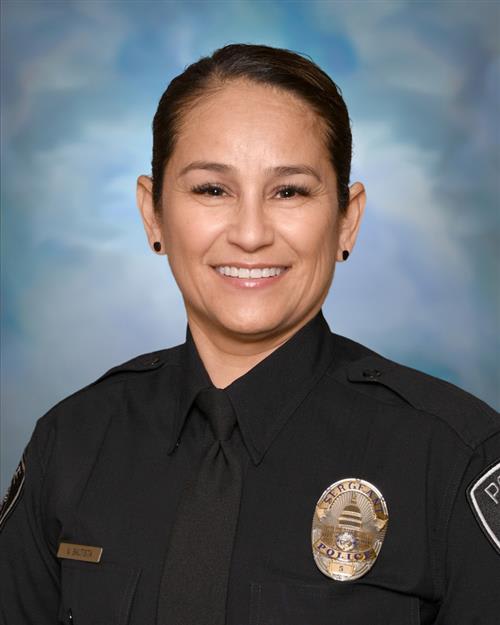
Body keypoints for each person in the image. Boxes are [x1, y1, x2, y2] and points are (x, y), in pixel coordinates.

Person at [0, 42, 498, 625]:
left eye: (290, 191)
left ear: (347, 219)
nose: (251, 233)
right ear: (153, 213)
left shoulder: (455, 459)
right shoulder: (71, 442)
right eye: (212, 190)